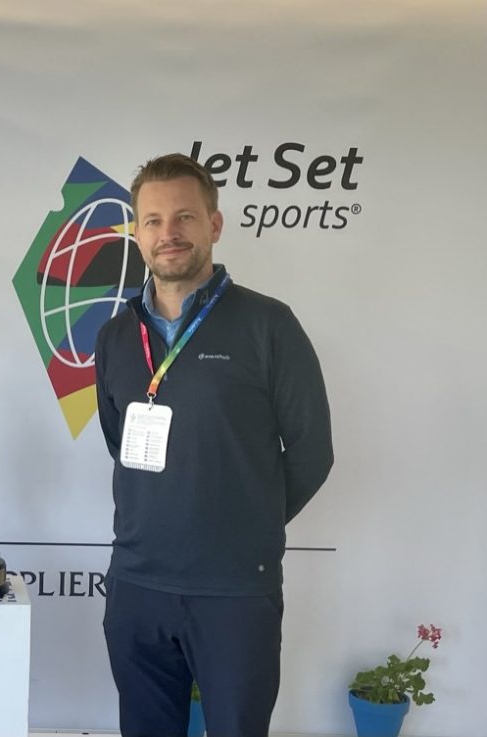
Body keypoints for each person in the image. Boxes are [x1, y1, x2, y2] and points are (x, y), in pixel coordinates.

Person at [94, 154, 333, 737]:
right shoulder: (115, 336)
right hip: (137, 584)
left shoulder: (268, 325)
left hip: (233, 590)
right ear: (136, 233)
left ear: (214, 225)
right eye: (151, 221)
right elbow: (118, 440)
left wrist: (242, 523)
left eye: (184, 217)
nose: (167, 233)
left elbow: (311, 451)